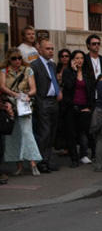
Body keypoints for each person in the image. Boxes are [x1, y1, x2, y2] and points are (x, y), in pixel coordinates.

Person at [0, 49, 42, 176]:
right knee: (14, 135)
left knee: (27, 132)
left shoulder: (28, 70)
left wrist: (26, 95)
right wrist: (14, 95)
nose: (17, 61)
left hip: (24, 105)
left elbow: (33, 88)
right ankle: (19, 165)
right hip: (10, 105)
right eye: (14, 58)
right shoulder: (4, 71)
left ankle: (33, 162)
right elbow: (2, 86)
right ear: (9, 59)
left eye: (19, 58)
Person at [30, 38, 62, 173]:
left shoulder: (53, 65)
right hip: (42, 101)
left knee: (52, 132)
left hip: (53, 101)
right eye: (47, 49)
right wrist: (38, 101)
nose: (51, 51)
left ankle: (48, 160)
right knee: (44, 132)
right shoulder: (35, 65)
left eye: (52, 49)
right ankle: (41, 161)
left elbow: (53, 80)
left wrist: (58, 90)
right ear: (40, 50)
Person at [61, 50, 95, 167]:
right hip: (71, 107)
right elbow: (69, 86)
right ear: (72, 60)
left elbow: (91, 91)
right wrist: (74, 72)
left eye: (81, 58)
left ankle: (83, 154)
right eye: (76, 58)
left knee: (84, 132)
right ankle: (74, 158)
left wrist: (90, 107)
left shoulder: (88, 73)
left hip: (84, 106)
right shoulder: (67, 72)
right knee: (71, 133)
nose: (79, 60)